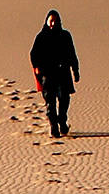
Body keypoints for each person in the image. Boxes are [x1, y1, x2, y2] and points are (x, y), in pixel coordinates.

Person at [30, 9, 80, 138]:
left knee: (64, 99)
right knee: (50, 103)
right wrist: (37, 67)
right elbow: (33, 54)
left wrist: (76, 70)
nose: (53, 23)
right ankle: (54, 127)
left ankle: (62, 122)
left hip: (63, 73)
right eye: (51, 21)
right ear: (47, 22)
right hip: (47, 74)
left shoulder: (65, 36)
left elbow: (72, 54)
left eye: (56, 21)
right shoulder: (41, 37)